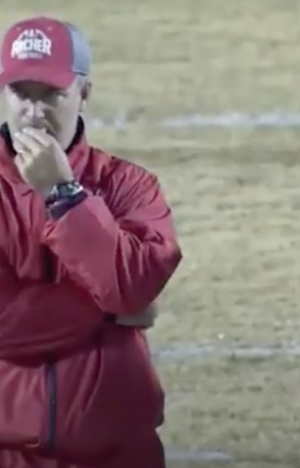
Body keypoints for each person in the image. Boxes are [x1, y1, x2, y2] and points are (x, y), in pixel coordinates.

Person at [0, 16, 182, 468]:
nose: (35, 111)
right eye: (22, 93)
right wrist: (105, 309)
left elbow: (131, 288)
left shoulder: (130, 187)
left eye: (53, 94)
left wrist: (63, 196)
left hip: (120, 454)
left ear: (84, 93)